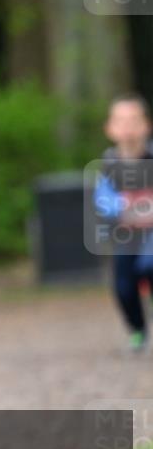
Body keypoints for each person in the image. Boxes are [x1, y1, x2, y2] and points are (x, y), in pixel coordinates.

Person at [95, 93, 153, 355]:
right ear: (110, 129)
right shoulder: (108, 166)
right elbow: (105, 201)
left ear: (146, 125)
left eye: (134, 120)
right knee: (124, 287)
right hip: (126, 236)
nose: (128, 127)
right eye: (121, 121)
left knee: (149, 265)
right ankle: (137, 328)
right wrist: (128, 210)